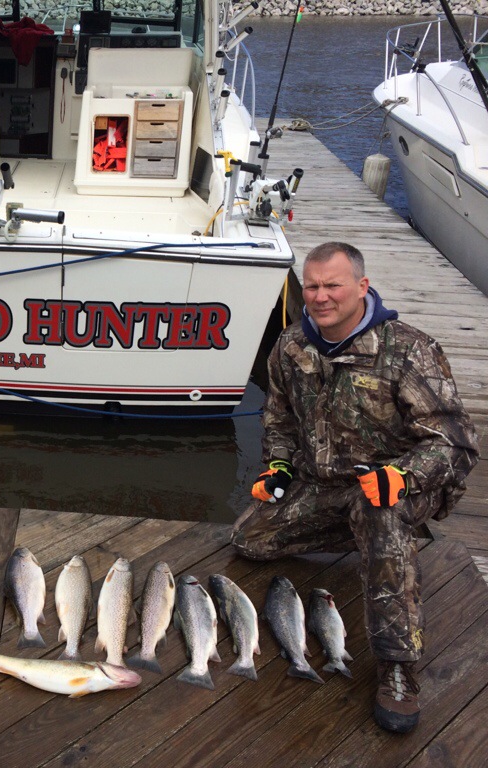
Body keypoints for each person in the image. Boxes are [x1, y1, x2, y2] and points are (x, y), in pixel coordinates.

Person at [232, 241, 478, 734]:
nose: (320, 296)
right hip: (325, 483)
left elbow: (456, 442)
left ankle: (398, 667)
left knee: (379, 514)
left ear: (362, 286)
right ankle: (375, 541)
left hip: (395, 486)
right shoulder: (291, 345)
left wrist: (404, 477)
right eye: (312, 286)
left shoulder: (408, 350)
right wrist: (278, 467)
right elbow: (278, 417)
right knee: (249, 540)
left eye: (333, 285)